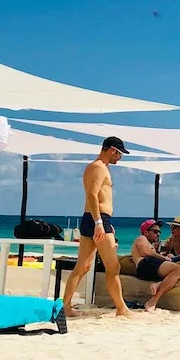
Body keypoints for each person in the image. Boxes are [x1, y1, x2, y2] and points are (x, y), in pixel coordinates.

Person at [62, 137, 135, 319]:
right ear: (111, 150)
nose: (120, 157)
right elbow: (92, 196)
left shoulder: (100, 168)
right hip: (97, 219)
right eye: (119, 153)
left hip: (96, 219)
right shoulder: (98, 167)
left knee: (83, 267)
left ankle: (65, 306)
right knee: (113, 266)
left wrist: (101, 222)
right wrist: (100, 223)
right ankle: (121, 308)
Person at [131, 220, 180, 311]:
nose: (158, 234)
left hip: (154, 265)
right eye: (155, 231)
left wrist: (172, 257)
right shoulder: (141, 238)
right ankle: (153, 301)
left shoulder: (152, 244)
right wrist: (164, 258)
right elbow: (145, 252)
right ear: (146, 232)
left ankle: (159, 284)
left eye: (159, 232)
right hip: (145, 264)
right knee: (179, 270)